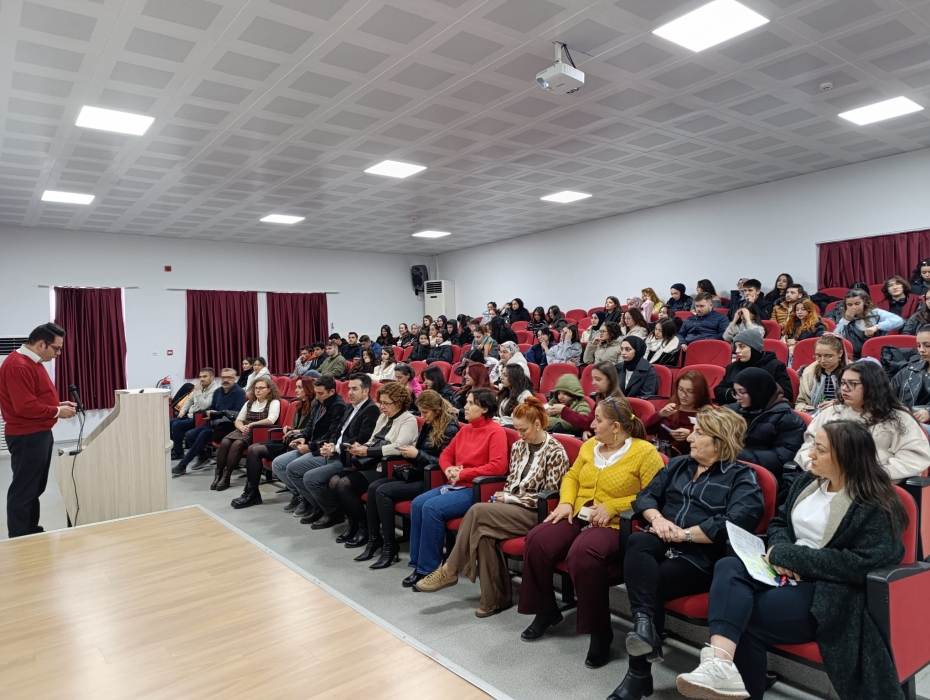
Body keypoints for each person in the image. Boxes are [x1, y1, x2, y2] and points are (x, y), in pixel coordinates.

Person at [676, 421, 907, 700]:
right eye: (814, 446)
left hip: (828, 589)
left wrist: (794, 557)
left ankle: (730, 679)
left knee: (745, 614)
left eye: (820, 450)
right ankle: (720, 665)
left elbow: (864, 563)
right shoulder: (807, 482)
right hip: (782, 568)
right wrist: (780, 549)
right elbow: (780, 522)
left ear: (847, 458)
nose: (810, 454)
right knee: (728, 566)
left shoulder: (875, 503)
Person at [613, 407, 764, 700]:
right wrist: (658, 519)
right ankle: (644, 628)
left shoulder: (742, 478)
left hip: (701, 556)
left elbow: (734, 523)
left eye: (699, 433)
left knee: (649, 580)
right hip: (663, 539)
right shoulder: (679, 464)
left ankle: (638, 673)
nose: (690, 438)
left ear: (720, 442)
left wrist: (684, 534)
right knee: (637, 542)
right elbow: (646, 496)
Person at [519, 397, 665, 668]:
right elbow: (572, 477)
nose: (592, 424)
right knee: (537, 539)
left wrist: (613, 506)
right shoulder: (590, 446)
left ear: (616, 427)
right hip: (578, 513)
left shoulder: (644, 452)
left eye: (598, 420)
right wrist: (565, 502)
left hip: (617, 524)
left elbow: (653, 495)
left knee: (583, 553)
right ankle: (546, 610)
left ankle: (600, 632)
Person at [414, 398, 572, 615]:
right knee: (483, 533)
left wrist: (509, 499)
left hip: (537, 513)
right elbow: (512, 481)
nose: (519, 435)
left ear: (538, 424)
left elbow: (549, 498)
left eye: (523, 429)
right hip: (512, 509)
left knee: (477, 510)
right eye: (516, 429)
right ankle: (494, 600)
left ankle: (450, 568)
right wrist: (503, 497)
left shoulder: (555, 452)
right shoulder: (519, 446)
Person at [403, 388, 508, 588]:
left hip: (476, 489)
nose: (465, 407)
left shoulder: (496, 432)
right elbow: (446, 455)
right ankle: (417, 564)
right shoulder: (466, 429)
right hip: (455, 483)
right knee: (417, 504)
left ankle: (429, 569)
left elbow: (498, 466)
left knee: (431, 508)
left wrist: (464, 473)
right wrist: (449, 469)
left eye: (471, 403)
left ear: (485, 408)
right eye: (466, 402)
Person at [355, 390, 460, 568]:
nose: (422, 416)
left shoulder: (450, 428)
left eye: (425, 412)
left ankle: (390, 547)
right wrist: (412, 454)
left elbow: (443, 462)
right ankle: (375, 540)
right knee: (373, 488)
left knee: (383, 491)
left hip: (434, 478)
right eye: (421, 412)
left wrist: (417, 454)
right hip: (419, 471)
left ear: (436, 410)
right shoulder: (429, 422)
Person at [791, 360, 930, 482]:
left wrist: (867, 475)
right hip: (825, 481)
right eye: (843, 383)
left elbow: (914, 458)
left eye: (852, 384)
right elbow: (808, 447)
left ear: (872, 386)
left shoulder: (898, 418)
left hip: (873, 487)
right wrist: (813, 466)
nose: (844, 388)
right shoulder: (831, 413)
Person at [0, 323, 78, 538]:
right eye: (56, 348)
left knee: (33, 488)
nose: (58, 354)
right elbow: (24, 407)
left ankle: (31, 531)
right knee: (24, 491)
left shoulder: (33, 362)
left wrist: (57, 404)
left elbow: (34, 397)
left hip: (38, 432)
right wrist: (57, 411)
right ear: (41, 344)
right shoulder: (18, 365)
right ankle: (20, 538)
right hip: (27, 435)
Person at [329, 382, 419, 547]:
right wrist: (360, 447)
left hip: (387, 468)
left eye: (386, 403)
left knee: (344, 485)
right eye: (381, 402)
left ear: (399, 402)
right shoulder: (383, 417)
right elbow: (372, 440)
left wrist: (368, 451)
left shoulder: (408, 420)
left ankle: (364, 528)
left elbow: (399, 447)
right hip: (370, 463)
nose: (382, 407)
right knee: (334, 481)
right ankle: (354, 524)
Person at [272, 375, 367, 524]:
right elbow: (313, 425)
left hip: (329, 450)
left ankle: (323, 508)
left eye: (320, 393)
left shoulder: (340, 406)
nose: (316, 396)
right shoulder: (322, 402)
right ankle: (306, 499)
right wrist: (303, 437)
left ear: (331, 391)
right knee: (279, 464)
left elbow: (334, 433)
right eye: (316, 392)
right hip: (321, 447)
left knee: (299, 472)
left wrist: (315, 447)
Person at [230, 377, 315, 509]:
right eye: (296, 387)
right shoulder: (299, 403)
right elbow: (298, 426)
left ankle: (253, 493)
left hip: (299, 442)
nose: (296, 390)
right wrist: (290, 429)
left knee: (255, 450)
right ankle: (251, 491)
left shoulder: (315, 405)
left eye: (299, 387)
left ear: (308, 389)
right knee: (252, 448)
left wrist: (295, 431)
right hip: (289, 440)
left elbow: (312, 429)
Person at [727, 368, 806, 482]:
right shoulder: (735, 410)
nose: (737, 397)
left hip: (766, 476)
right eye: (735, 392)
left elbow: (782, 458)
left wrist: (734, 454)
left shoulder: (788, 419)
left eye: (742, 392)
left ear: (757, 391)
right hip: (735, 469)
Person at [172, 367, 247, 475]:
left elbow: (237, 413)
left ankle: (183, 464)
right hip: (215, 424)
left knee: (204, 434)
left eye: (229, 378)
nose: (226, 380)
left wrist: (216, 413)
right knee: (190, 435)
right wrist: (206, 412)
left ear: (234, 379)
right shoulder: (218, 392)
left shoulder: (239, 392)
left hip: (229, 427)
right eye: (223, 377)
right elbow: (211, 407)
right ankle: (203, 456)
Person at [212, 377, 281, 492]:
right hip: (243, 429)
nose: (258, 390)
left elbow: (271, 420)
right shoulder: (250, 402)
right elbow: (238, 420)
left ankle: (227, 476)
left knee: (237, 444)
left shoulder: (274, 402)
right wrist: (241, 427)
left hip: (258, 431)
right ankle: (218, 474)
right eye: (256, 388)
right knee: (225, 442)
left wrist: (251, 425)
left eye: (261, 388)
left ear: (269, 389)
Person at [642, 370, 712, 456]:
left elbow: (712, 441)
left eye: (690, 391)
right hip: (662, 455)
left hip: (690, 458)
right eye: (680, 389)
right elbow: (643, 429)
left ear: (700, 393)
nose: (683, 395)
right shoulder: (671, 406)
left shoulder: (708, 413)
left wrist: (691, 434)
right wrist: (660, 415)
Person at [548, 362, 625, 439]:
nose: (593, 383)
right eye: (593, 379)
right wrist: (587, 430)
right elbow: (592, 422)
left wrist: (564, 411)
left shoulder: (615, 403)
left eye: (598, 379)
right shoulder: (601, 398)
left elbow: (589, 423)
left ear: (610, 380)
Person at [715, 330, 793, 404]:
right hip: (735, 408)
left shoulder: (776, 366)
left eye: (741, 347)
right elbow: (719, 391)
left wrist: (750, 396)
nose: (737, 351)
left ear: (754, 348)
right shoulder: (732, 367)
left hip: (764, 410)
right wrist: (737, 395)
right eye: (736, 347)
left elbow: (786, 394)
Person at [834, 289, 904, 358]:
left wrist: (877, 327)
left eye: (857, 304)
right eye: (850, 305)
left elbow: (899, 321)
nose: (854, 307)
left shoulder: (876, 313)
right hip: (856, 357)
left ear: (864, 301)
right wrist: (846, 321)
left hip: (880, 354)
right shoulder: (845, 320)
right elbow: (835, 338)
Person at [170, 367, 217, 460]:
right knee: (169, 422)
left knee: (176, 425)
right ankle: (175, 449)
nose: (202, 379)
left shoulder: (214, 390)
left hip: (200, 418)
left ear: (212, 377)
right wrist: (182, 412)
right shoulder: (200, 386)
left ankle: (179, 453)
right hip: (190, 415)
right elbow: (189, 400)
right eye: (200, 377)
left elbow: (204, 406)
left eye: (205, 376)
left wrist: (198, 391)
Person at [892, 325, 930, 433]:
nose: (921, 350)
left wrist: (929, 412)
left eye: (927, 345)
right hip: (906, 421)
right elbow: (886, 395)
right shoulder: (908, 370)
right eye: (918, 345)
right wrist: (899, 407)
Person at [795, 334, 846, 412]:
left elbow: (858, 402)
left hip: (842, 414)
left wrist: (837, 403)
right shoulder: (809, 373)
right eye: (818, 356)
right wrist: (803, 408)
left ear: (840, 353)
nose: (822, 360)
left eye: (828, 356)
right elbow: (800, 402)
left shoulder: (852, 373)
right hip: (815, 415)